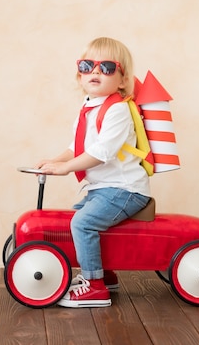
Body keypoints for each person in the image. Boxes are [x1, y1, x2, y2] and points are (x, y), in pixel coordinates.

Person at [36, 37, 151, 308]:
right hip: (104, 189)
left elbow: (102, 153)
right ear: (79, 75)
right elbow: (76, 147)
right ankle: (104, 275)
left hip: (125, 189)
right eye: (88, 66)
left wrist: (65, 168)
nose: (96, 72)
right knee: (79, 217)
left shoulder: (118, 110)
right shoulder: (88, 108)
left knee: (83, 223)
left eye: (107, 67)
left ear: (122, 80)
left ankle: (95, 287)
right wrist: (54, 161)